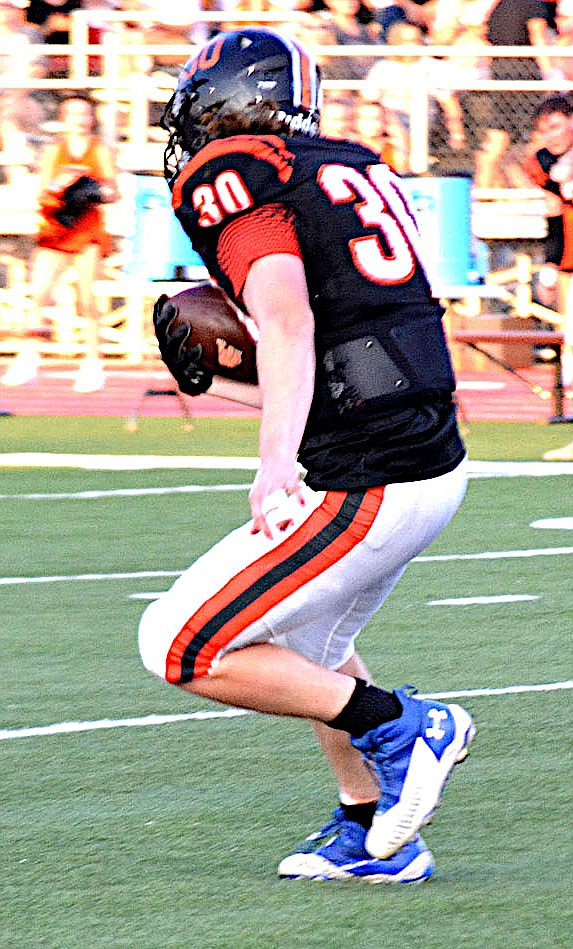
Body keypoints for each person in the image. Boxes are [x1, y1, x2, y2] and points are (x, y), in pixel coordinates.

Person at [138, 27, 475, 883]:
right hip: (422, 456)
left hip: (366, 477)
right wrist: (226, 388)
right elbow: (360, 348)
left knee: (178, 645)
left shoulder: (230, 172)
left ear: (230, 102)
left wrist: (274, 463)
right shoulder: (348, 160)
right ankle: (369, 828)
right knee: (313, 647)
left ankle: (408, 725)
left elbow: (289, 318)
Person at [1, 94, 118, 392]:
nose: (78, 120)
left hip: (87, 230)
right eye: (72, 114)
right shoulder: (55, 150)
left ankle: (92, 363)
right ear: (63, 119)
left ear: (91, 118)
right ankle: (28, 357)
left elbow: (113, 190)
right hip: (57, 230)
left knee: (86, 298)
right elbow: (44, 192)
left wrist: (92, 190)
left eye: (83, 114)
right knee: (39, 293)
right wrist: (63, 188)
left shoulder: (99, 149)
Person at [523, 94, 573, 460]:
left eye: (556, 126)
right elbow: (554, 215)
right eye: (544, 129)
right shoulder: (543, 163)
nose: (549, 136)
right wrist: (551, 263)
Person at [474, 0, 554, 188]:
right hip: (524, 76)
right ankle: (540, 188)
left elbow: (484, 36)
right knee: (538, 134)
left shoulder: (499, 6)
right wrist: (550, 74)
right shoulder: (533, 5)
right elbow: (538, 36)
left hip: (500, 72)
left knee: (500, 137)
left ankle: (487, 188)